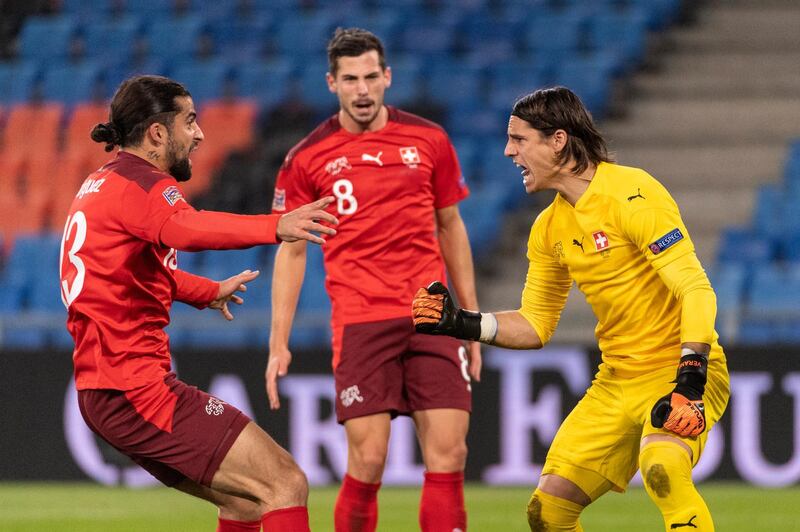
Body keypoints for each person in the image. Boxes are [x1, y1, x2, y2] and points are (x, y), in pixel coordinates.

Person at [412, 86, 730, 532]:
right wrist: (459, 322)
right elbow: (534, 325)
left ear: (557, 140)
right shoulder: (548, 229)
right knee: (547, 513)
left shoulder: (633, 194)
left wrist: (690, 380)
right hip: (617, 381)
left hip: (679, 369)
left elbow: (696, 289)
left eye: (519, 139)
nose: (508, 151)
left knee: (662, 470)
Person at [60, 75, 338, 532]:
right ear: (157, 132)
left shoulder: (100, 183)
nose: (200, 133)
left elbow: (131, 275)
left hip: (106, 391)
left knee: (247, 501)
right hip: (137, 391)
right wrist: (275, 226)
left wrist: (206, 291)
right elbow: (187, 230)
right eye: (189, 121)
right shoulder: (143, 186)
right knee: (286, 483)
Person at [266, 28, 480, 532]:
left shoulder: (429, 140)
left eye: (370, 77)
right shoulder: (307, 157)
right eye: (349, 79)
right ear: (331, 83)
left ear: (387, 77)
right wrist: (279, 341)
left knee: (450, 452)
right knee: (368, 461)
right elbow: (292, 250)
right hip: (361, 319)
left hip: (432, 314)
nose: (362, 90)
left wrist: (469, 321)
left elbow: (451, 225)